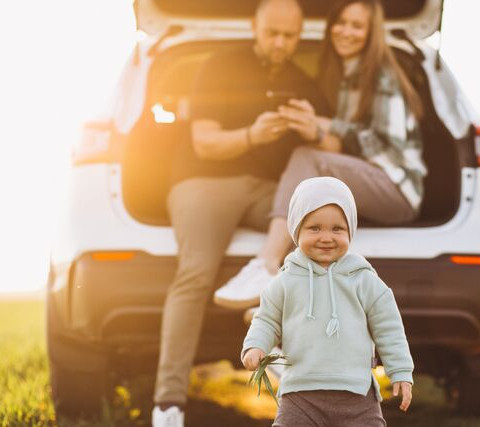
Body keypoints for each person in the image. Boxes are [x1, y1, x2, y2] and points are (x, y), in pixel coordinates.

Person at [152, 0, 328, 425]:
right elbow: (204, 144)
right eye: (273, 33)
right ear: (255, 26)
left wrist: (314, 129)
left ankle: (297, 370)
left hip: (267, 192)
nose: (282, 43)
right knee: (195, 272)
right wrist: (252, 134)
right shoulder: (219, 65)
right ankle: (168, 403)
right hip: (202, 183)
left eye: (290, 36)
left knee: (309, 250)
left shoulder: (304, 83)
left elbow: (325, 155)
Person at [214, 0, 427, 310]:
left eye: (357, 25)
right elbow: (335, 143)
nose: (346, 32)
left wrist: (325, 126)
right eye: (340, 23)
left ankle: (266, 264)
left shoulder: (381, 75)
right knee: (312, 178)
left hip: (396, 188)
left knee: (307, 157)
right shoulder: (339, 75)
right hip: (366, 184)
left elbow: (387, 147)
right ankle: (279, 302)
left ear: (371, 34)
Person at [242, 176, 413, 426]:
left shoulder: (364, 279)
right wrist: (256, 345)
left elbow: (389, 329)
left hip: (357, 397)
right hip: (300, 396)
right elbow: (267, 319)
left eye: (337, 229)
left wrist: (400, 371)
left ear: (350, 231)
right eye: (315, 228)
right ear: (296, 229)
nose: (326, 237)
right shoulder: (285, 280)